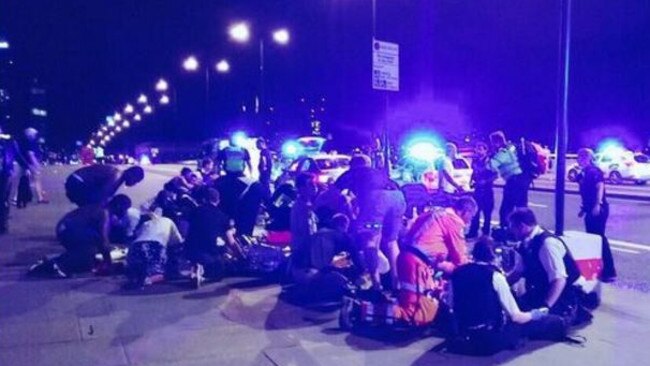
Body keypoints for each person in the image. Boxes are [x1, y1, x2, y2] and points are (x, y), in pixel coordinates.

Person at [448, 237, 563, 356]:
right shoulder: (494, 275)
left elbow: (451, 306)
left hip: (464, 336)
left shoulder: (456, 273)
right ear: (494, 257)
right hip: (489, 340)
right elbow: (516, 317)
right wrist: (537, 313)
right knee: (541, 322)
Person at [508, 208, 588, 326]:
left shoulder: (547, 244)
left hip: (562, 295)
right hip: (541, 289)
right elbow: (518, 272)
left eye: (513, 228)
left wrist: (545, 307)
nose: (512, 232)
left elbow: (559, 279)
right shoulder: (524, 244)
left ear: (522, 226)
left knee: (532, 325)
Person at [354, 169, 407, 289]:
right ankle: (397, 283)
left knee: (371, 240)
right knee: (392, 242)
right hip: (397, 196)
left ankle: (376, 284)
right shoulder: (375, 172)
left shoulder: (355, 174)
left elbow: (358, 200)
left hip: (377, 199)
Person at [404, 196, 478, 274]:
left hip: (406, 251)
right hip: (421, 259)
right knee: (461, 270)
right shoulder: (454, 221)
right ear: (466, 212)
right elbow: (459, 258)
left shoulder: (435, 212)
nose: (470, 221)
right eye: (471, 217)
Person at [576, 148, 616, 282]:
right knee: (593, 239)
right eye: (578, 158)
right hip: (590, 209)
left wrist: (597, 204)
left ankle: (609, 271)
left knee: (598, 239)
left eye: (582, 158)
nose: (579, 160)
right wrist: (583, 208)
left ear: (588, 158)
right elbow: (585, 192)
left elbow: (600, 187)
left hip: (598, 209)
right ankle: (599, 270)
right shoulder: (584, 173)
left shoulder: (594, 171)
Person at [185, 188, 235, 287]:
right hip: (213, 252)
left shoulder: (194, 211)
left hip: (192, 249)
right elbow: (230, 239)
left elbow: (185, 227)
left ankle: (195, 269)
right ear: (218, 200)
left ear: (204, 199)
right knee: (219, 274)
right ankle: (203, 275)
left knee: (196, 254)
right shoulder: (223, 216)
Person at [126, 206, 183, 287]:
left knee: (137, 267)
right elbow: (178, 242)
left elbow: (136, 235)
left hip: (135, 247)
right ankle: (148, 280)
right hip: (155, 246)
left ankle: (136, 276)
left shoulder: (146, 223)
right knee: (162, 273)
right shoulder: (169, 221)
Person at [489, 131, 528, 227]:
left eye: (492, 142)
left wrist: (489, 157)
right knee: (521, 208)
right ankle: (523, 229)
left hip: (513, 182)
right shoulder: (511, 149)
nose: (492, 145)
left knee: (505, 209)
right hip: (522, 181)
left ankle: (505, 230)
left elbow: (490, 165)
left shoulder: (503, 152)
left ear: (497, 142)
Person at [64, 165, 144, 206]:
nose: (134, 184)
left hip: (76, 181)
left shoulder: (118, 174)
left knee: (96, 203)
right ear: (131, 174)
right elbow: (103, 195)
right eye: (135, 180)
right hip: (77, 182)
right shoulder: (116, 176)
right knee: (96, 206)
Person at [468, 142, 498, 238]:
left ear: (486, 150)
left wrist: (485, 181)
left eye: (481, 149)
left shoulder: (490, 161)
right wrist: (471, 181)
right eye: (477, 148)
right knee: (475, 212)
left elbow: (495, 175)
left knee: (487, 213)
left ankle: (485, 233)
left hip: (487, 191)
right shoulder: (475, 161)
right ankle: (473, 232)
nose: (479, 151)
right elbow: (474, 172)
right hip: (477, 190)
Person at [290, 173, 319, 272]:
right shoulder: (300, 207)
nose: (314, 187)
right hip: (303, 250)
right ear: (301, 188)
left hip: (308, 249)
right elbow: (303, 230)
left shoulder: (308, 204)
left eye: (314, 184)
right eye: (310, 184)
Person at [0, 126, 21, 234]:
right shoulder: (7, 141)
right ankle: (3, 224)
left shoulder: (7, 141)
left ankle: (3, 224)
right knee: (3, 200)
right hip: (5, 173)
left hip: (4, 174)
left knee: (3, 199)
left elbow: (16, 155)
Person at [19, 127, 48, 204]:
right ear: (30, 134)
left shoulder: (26, 142)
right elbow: (31, 154)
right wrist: (36, 164)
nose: (36, 135)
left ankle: (35, 197)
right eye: (34, 134)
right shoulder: (30, 143)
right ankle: (39, 198)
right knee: (35, 180)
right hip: (31, 164)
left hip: (28, 164)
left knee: (28, 180)